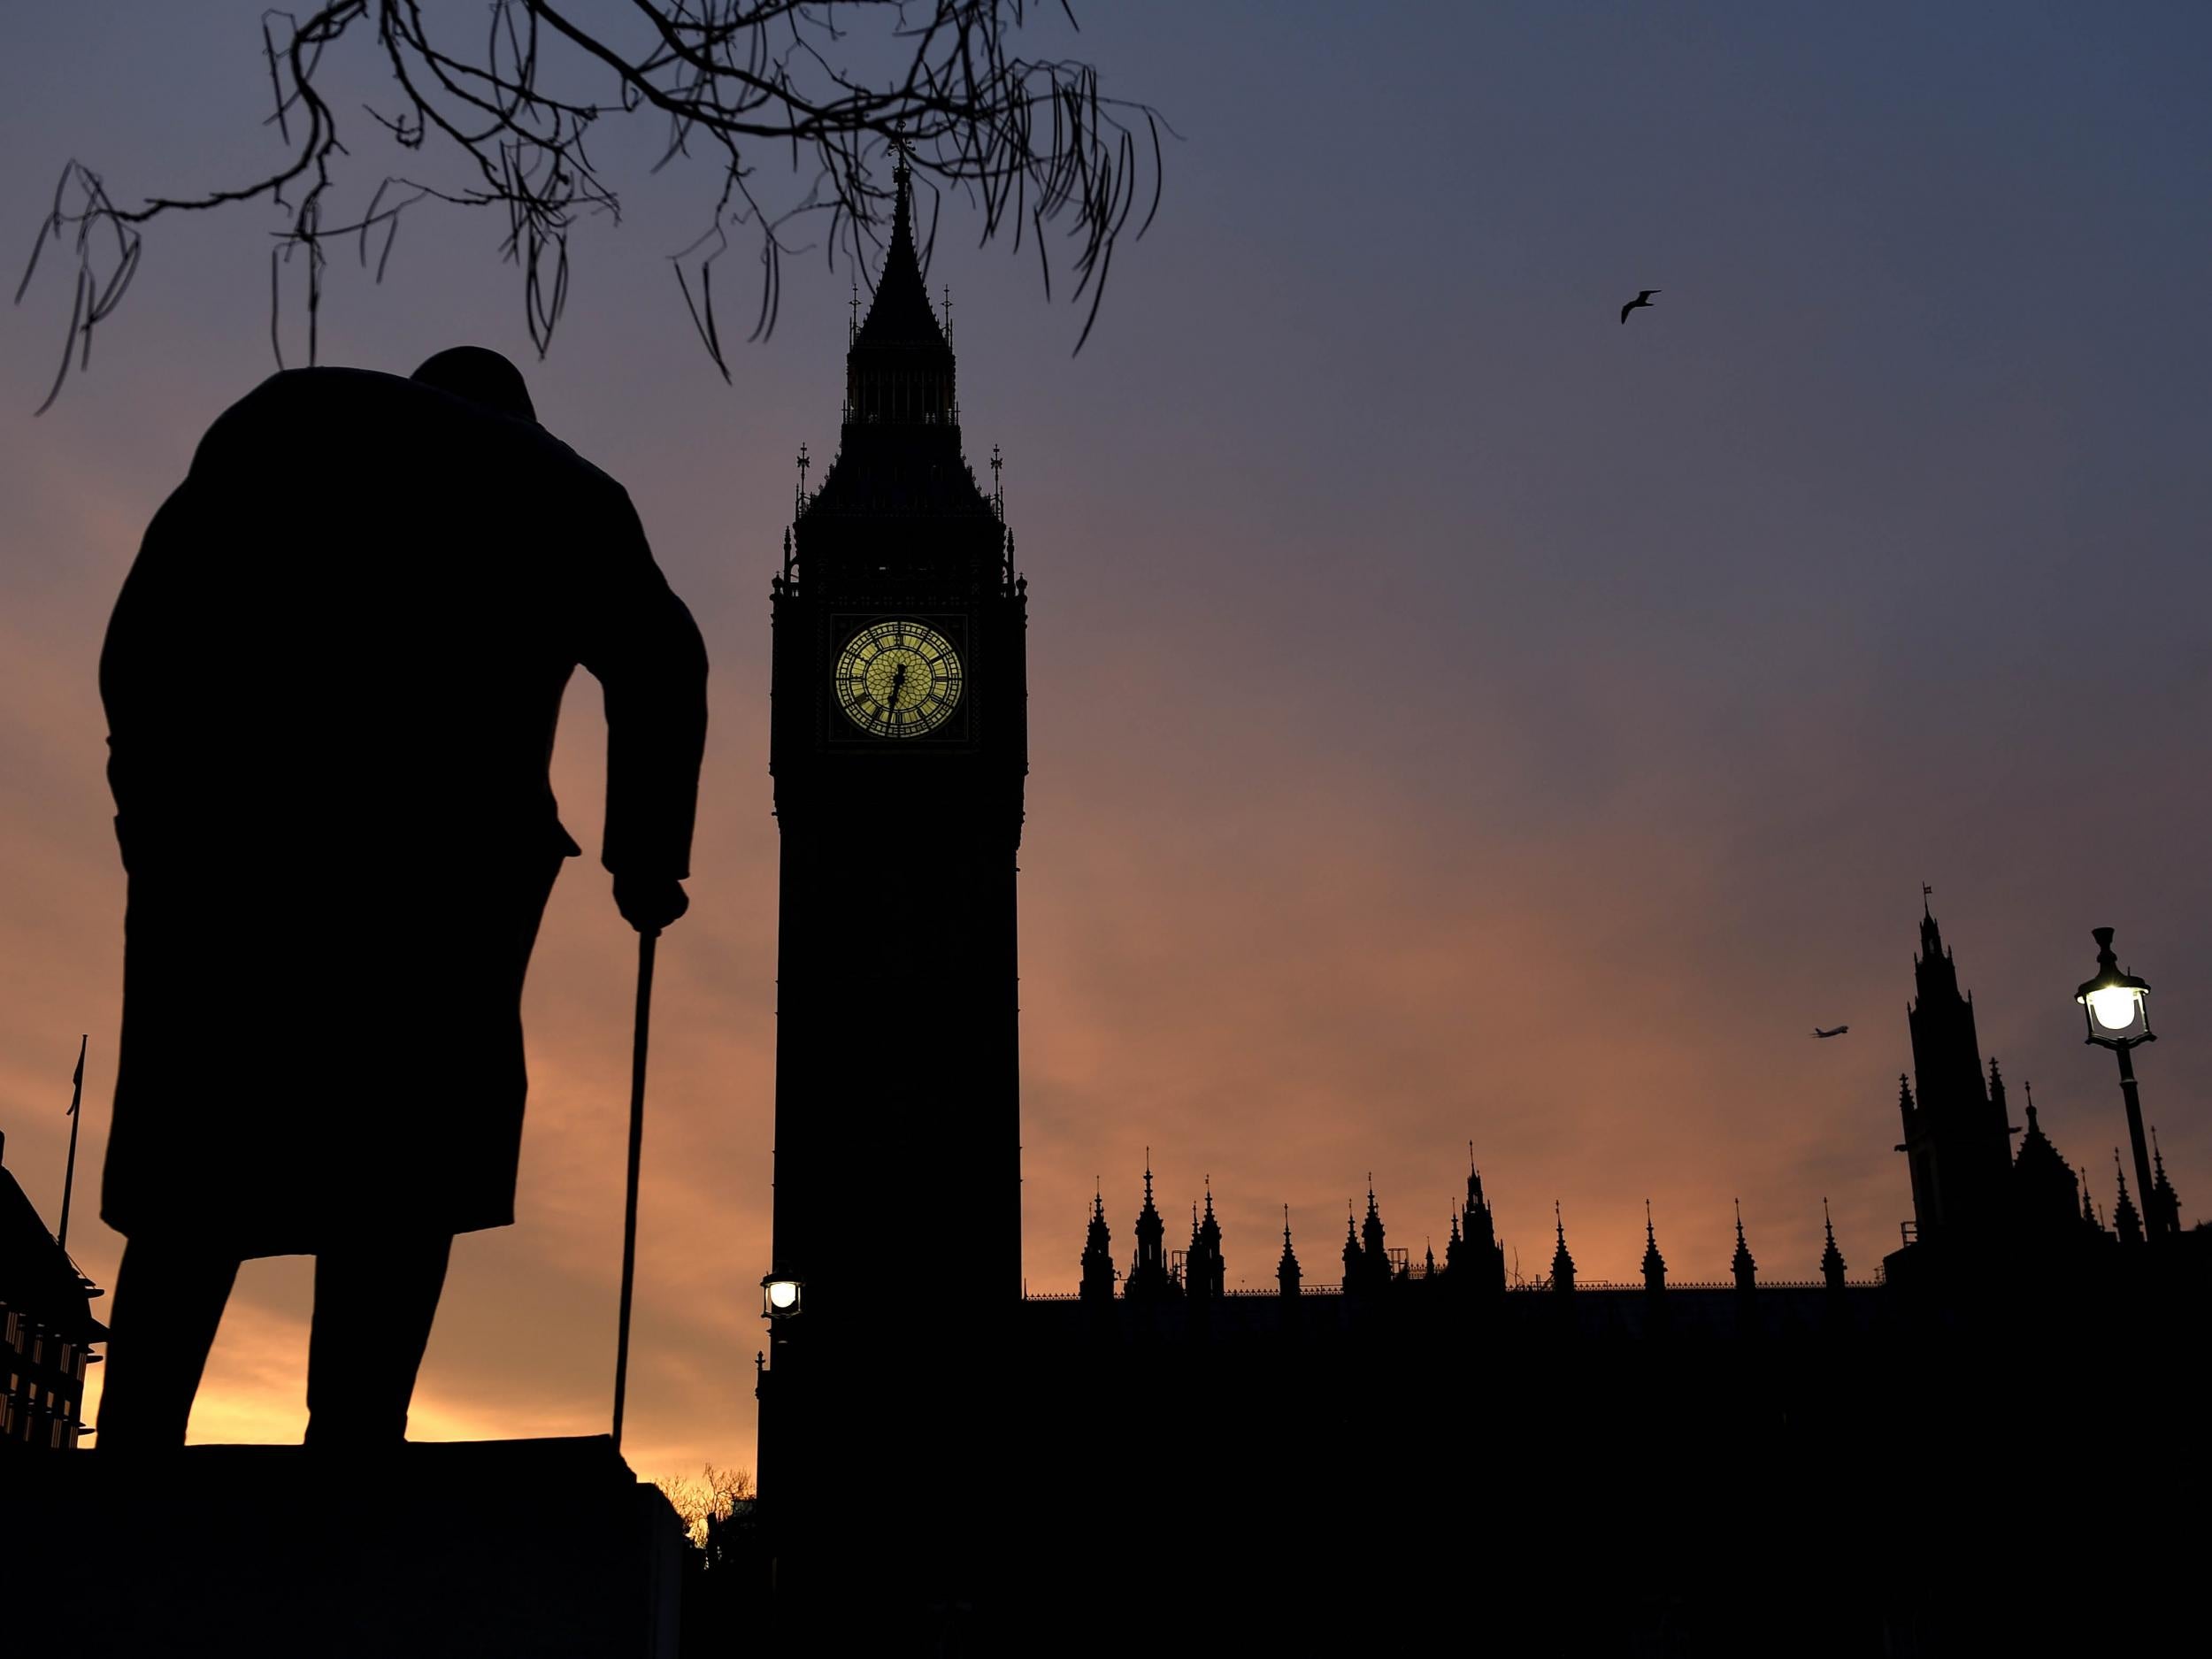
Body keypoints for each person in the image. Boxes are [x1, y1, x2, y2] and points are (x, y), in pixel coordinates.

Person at [93, 347, 708, 1449]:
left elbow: (146, 625)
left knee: (202, 1162)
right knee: (401, 1168)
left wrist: (155, 805)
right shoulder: (566, 487)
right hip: (441, 883)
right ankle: (356, 1443)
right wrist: (645, 856)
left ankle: (133, 1446)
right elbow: (664, 654)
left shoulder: (288, 413)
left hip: (243, 858)